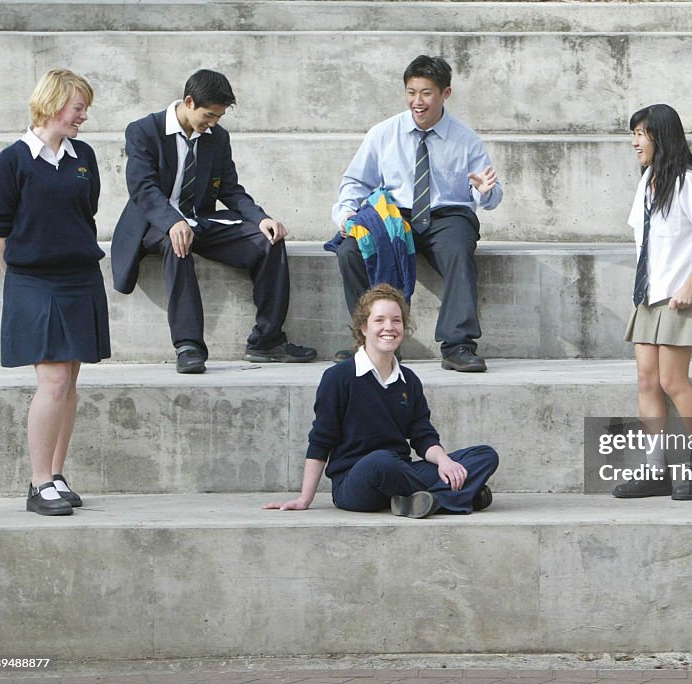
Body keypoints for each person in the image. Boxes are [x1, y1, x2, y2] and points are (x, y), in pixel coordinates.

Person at [110, 69, 316, 374]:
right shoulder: (144, 131)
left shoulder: (217, 137)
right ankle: (188, 345)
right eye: (209, 115)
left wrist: (262, 218)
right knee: (176, 242)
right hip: (155, 223)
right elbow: (143, 188)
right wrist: (171, 221)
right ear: (189, 102)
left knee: (269, 240)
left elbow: (230, 189)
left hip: (201, 219)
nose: (213, 123)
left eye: (219, 117)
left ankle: (267, 340)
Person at [0, 68, 109, 516]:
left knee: (70, 381)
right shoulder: (12, 161)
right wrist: (18, 273)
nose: (84, 116)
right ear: (55, 105)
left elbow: (86, 209)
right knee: (52, 381)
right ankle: (38, 485)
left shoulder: (84, 156)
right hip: (35, 281)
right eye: (78, 108)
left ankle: (55, 474)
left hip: (80, 278)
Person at [264, 284, 499, 518]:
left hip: (400, 472)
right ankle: (457, 496)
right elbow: (321, 440)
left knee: (484, 455)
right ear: (364, 327)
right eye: (380, 320)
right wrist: (305, 499)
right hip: (356, 482)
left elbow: (422, 435)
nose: (389, 327)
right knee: (381, 460)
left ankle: (428, 501)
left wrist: (444, 461)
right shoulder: (339, 377)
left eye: (396, 320)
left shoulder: (409, 380)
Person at [331, 55, 502, 372]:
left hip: (447, 215)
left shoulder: (466, 139)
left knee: (459, 250)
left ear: (445, 94)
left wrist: (483, 190)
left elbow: (491, 198)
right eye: (411, 92)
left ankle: (458, 345)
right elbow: (356, 181)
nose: (417, 101)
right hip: (396, 216)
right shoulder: (384, 133)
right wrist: (346, 216)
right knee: (350, 250)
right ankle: (368, 340)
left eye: (426, 93)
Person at [611, 105, 692, 502]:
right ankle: (656, 465)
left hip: (678, 297)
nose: (634, 142)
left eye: (641, 133)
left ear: (662, 136)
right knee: (646, 380)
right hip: (648, 295)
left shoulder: (689, 183)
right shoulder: (648, 181)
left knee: (672, 381)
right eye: (634, 134)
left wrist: (690, 284)